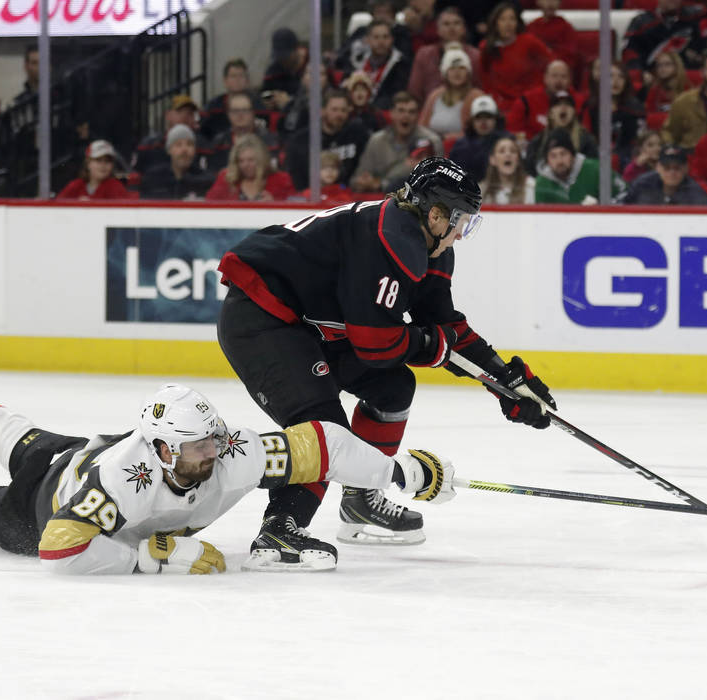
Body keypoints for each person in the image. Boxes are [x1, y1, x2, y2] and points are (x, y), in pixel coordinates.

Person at [215, 156, 556, 563]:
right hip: (262, 319)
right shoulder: (390, 239)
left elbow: (444, 325)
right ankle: (280, 530)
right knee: (327, 430)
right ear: (435, 214)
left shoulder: (429, 245)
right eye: (462, 220)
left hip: (309, 325)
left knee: (393, 387)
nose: (462, 233)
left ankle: (361, 498)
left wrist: (504, 379)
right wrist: (433, 346)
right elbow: (376, 344)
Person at [0, 373, 454, 574]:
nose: (215, 453)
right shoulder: (123, 481)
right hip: (43, 512)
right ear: (159, 452)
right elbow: (59, 549)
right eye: (199, 447)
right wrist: (157, 556)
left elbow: (322, 445)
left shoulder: (226, 450)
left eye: (213, 440)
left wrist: (393, 471)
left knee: (8, 429)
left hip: (73, 452)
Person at [351, 91, 443, 193]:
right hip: (377, 201)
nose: (406, 116)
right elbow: (357, 180)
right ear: (391, 113)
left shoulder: (431, 142)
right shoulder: (376, 140)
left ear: (418, 116)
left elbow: (433, 185)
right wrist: (362, 182)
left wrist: (380, 184)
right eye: (401, 111)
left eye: (411, 112)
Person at [283, 89, 371, 191]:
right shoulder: (302, 140)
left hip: (347, 197)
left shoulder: (358, 135)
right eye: (334, 110)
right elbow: (295, 175)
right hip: (310, 198)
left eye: (343, 110)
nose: (339, 115)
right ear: (322, 110)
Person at [479, 2, 555, 113]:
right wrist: (494, 98)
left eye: (512, 19)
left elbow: (552, 64)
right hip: (500, 104)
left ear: (517, 23)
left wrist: (538, 90)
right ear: (495, 23)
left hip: (528, 101)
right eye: (502, 19)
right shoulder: (486, 47)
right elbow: (484, 77)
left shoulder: (529, 42)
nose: (508, 24)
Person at [406, 7, 482, 103]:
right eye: (446, 24)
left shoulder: (476, 56)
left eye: (456, 23)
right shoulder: (424, 55)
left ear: (464, 29)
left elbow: (480, 89)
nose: (452, 28)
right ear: (438, 30)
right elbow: (414, 92)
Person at [622, 0, 707, 78]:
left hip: (687, 78)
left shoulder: (696, 17)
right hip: (652, 78)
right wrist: (641, 74)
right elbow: (630, 54)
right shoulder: (641, 23)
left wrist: (697, 57)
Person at [583, 61, 647, 169]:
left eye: (621, 77)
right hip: (596, 158)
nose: (616, 81)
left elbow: (640, 141)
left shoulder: (635, 109)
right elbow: (586, 138)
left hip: (628, 159)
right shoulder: (591, 107)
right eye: (611, 76)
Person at [534, 129, 626, 204]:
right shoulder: (542, 183)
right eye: (553, 156)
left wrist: (601, 208)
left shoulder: (596, 169)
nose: (559, 161)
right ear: (547, 161)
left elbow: (624, 194)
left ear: (573, 156)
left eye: (563, 154)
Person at [524, 91, 599, 176]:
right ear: (551, 113)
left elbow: (593, 169)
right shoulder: (538, 141)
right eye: (558, 105)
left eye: (567, 104)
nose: (563, 108)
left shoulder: (587, 140)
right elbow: (530, 171)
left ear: (574, 112)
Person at [205, 133, 294, 202]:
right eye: (241, 161)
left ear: (261, 159)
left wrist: (275, 204)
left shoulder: (282, 180)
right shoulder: (227, 179)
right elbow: (209, 204)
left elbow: (293, 207)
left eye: (251, 160)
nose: (245, 165)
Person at [419, 47, 485, 139]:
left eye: (462, 68)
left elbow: (480, 132)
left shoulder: (477, 97)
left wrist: (447, 139)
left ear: (468, 73)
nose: (457, 72)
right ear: (445, 73)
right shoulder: (434, 96)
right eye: (452, 68)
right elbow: (421, 128)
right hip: (433, 149)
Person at [205, 92, 278, 174]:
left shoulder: (270, 142)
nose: (240, 115)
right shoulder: (218, 143)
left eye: (245, 110)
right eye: (235, 111)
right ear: (228, 114)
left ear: (253, 113)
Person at [505, 59, 578, 140]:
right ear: (545, 78)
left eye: (563, 76)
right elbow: (512, 131)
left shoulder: (578, 101)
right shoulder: (526, 101)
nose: (559, 81)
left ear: (570, 80)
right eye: (554, 76)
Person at [199, 59, 269, 141]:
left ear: (247, 80)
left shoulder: (257, 104)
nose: (237, 80)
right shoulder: (213, 106)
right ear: (225, 81)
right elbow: (202, 133)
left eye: (241, 76)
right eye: (233, 76)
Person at [138, 125, 213, 200]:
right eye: (178, 144)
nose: (184, 149)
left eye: (189, 144)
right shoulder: (153, 179)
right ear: (169, 150)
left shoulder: (206, 181)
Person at [619, 144, 707, 205]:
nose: (672, 172)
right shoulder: (641, 185)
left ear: (686, 168)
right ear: (658, 167)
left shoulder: (696, 194)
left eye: (677, 168)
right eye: (667, 168)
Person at [448, 94, 509, 182]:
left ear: (496, 119)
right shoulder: (460, 146)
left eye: (488, 117)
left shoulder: (507, 141)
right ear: (472, 121)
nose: (483, 122)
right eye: (478, 117)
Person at [357, 19, 412, 110]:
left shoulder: (402, 65)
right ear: (367, 40)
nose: (381, 42)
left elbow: (395, 97)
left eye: (385, 37)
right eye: (376, 37)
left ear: (392, 39)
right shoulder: (357, 61)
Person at [55, 140, 129, 200]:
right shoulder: (76, 185)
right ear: (88, 163)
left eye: (107, 161)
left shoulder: (116, 187)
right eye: (98, 160)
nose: (103, 165)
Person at [526, 0, 579, 76]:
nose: (550, 3)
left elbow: (570, 57)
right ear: (538, 1)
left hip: (556, 75)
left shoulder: (566, 28)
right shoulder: (531, 27)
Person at [480, 135, 536, 204]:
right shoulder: (482, 190)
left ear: (518, 160)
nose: (508, 154)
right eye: (502, 151)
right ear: (492, 159)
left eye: (513, 151)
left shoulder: (531, 186)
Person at [645, 51, 694, 127]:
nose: (662, 68)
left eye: (667, 64)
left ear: (676, 66)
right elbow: (650, 115)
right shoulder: (654, 91)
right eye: (659, 65)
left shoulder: (687, 88)